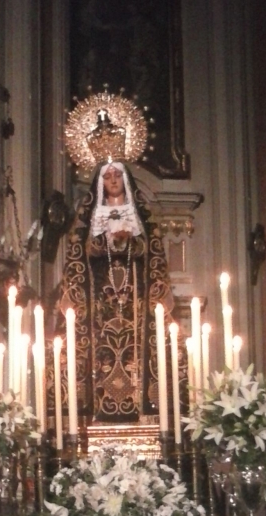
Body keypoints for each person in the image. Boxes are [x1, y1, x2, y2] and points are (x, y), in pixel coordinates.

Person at [59, 160, 174, 423]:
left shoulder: (137, 214)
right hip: (101, 302)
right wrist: (106, 241)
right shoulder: (93, 214)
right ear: (100, 182)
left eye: (117, 176)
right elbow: (81, 251)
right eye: (107, 176)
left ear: (125, 180)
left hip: (135, 300)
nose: (112, 180)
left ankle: (143, 410)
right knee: (101, 351)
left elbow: (151, 250)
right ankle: (96, 408)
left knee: (137, 349)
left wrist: (129, 240)